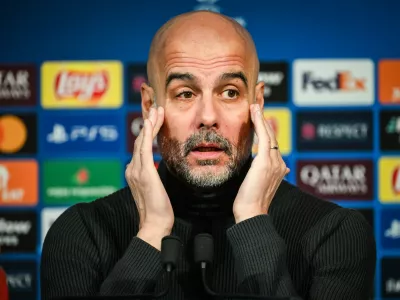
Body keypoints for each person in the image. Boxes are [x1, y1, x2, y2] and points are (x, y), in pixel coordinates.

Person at [40, 10, 376, 300]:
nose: (208, 116)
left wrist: (254, 222)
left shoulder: (335, 233)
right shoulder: (82, 232)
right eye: (185, 93)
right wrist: (153, 232)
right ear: (148, 106)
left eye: (230, 92)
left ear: (256, 103)